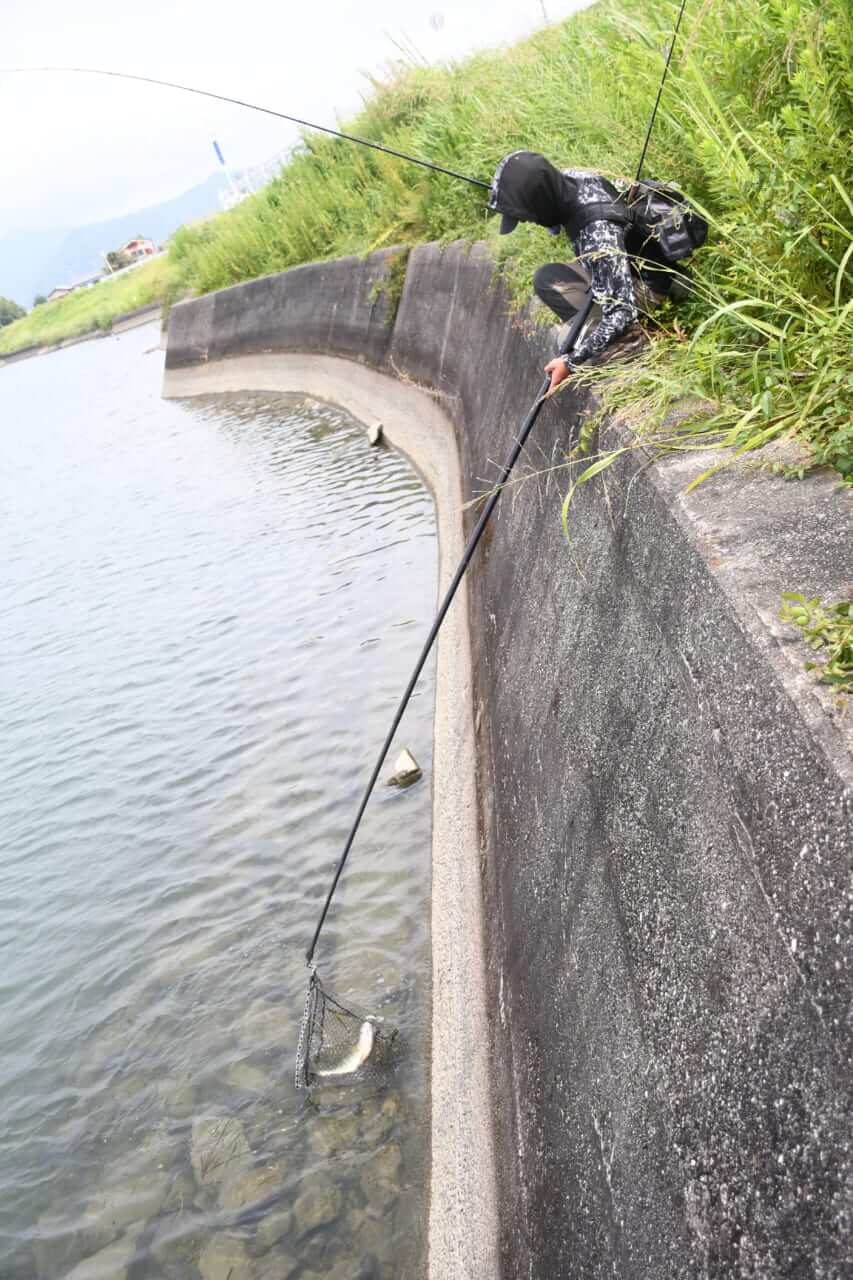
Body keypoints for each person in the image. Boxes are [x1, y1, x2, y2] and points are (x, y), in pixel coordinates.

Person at [488, 150, 659, 395]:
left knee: (572, 347)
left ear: (542, 203)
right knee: (547, 279)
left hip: (648, 285)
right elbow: (561, 213)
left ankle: (632, 342)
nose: (527, 221)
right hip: (623, 265)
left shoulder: (597, 232)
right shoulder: (575, 179)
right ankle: (597, 331)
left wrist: (571, 362)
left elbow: (622, 311)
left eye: (527, 216)